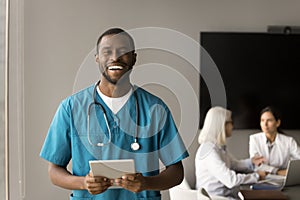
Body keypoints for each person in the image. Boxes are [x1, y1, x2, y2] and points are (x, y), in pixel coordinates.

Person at [39, 28, 189, 200]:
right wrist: (83, 183)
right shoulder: (71, 108)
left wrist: (146, 183)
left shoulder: (155, 109)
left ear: (134, 58)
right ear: (97, 58)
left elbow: (176, 172)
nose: (115, 57)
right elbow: (54, 171)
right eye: (107, 52)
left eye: (123, 52)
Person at [195, 106, 266, 200]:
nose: (232, 126)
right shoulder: (209, 151)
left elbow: (233, 164)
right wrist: (257, 176)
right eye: (231, 123)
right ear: (221, 125)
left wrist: (251, 162)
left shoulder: (217, 147)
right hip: (216, 198)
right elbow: (231, 180)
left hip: (225, 195)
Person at [249, 106, 300, 176]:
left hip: (284, 178)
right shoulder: (254, 139)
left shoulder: (289, 141)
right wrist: (277, 172)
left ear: (277, 123)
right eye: (262, 120)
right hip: (262, 178)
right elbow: (257, 164)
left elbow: (298, 160)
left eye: (269, 120)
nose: (265, 124)